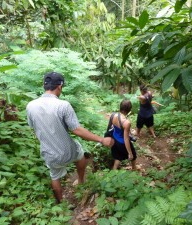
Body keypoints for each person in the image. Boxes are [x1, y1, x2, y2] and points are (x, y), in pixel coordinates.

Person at [26, 72, 114, 203]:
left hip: (48, 153)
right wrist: (101, 139)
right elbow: (77, 130)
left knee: (54, 176)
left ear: (44, 85)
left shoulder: (30, 106)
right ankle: (81, 180)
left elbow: (33, 128)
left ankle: (61, 204)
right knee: (79, 153)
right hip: (67, 151)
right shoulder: (63, 105)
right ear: (60, 87)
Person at [110, 100, 137, 170]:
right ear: (129, 110)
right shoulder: (126, 122)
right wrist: (130, 153)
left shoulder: (113, 115)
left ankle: (114, 171)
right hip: (122, 142)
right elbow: (126, 139)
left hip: (115, 139)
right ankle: (134, 169)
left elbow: (113, 126)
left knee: (118, 156)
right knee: (133, 156)